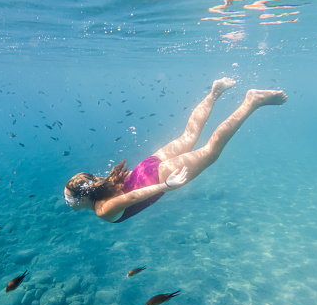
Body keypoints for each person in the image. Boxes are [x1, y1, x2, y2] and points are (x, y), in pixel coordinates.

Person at [64, 78, 287, 223]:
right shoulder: (102, 186)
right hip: (148, 166)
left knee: (210, 152)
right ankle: (214, 92)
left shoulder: (102, 209)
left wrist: (165, 186)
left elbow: (133, 196)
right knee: (188, 136)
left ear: (81, 198)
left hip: (157, 176)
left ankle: (251, 101)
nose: (66, 202)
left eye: (68, 199)